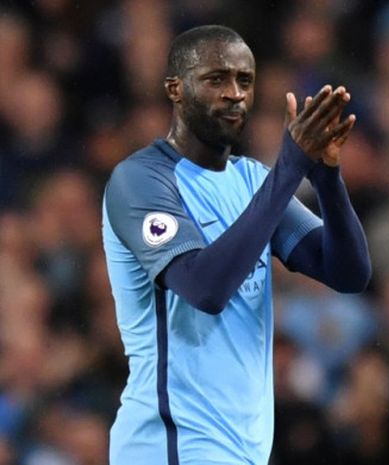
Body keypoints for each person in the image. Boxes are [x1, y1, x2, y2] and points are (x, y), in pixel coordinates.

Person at [101, 25, 371, 465]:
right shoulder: (142, 181)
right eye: (216, 79)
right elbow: (204, 288)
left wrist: (324, 176)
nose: (234, 94)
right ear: (175, 88)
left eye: (244, 81)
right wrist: (289, 169)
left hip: (242, 448)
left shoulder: (252, 181)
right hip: (172, 445)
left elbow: (348, 272)